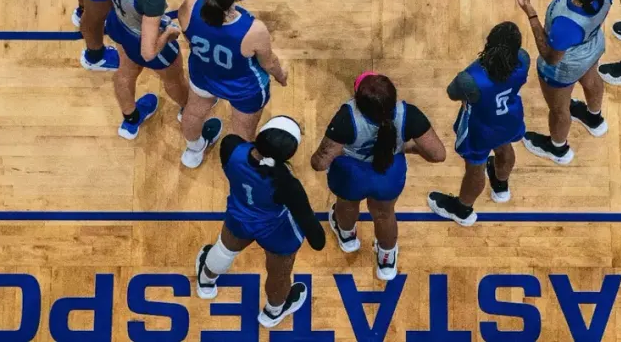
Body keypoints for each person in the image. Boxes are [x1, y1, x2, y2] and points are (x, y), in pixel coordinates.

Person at [66, 0, 207, 142]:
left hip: (119, 25)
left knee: (125, 72)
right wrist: (168, 34)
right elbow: (148, 53)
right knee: (173, 80)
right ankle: (187, 112)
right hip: (143, 38)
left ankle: (130, 120)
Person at [309, 73, 446, 280]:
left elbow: (319, 164)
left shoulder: (346, 119)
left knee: (346, 206)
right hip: (388, 173)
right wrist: (407, 148)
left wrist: (340, 151)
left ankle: (347, 238)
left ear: (358, 101)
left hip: (352, 174)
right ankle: (386, 261)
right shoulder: (410, 114)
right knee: (384, 214)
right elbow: (438, 154)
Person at [194, 116, 326, 329]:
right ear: (289, 155)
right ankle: (273, 312)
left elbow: (246, 153)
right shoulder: (287, 184)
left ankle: (206, 282)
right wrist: (317, 235)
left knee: (224, 250)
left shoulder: (230, 146)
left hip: (239, 217)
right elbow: (316, 238)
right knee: (279, 274)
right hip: (276, 231)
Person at [175, 0, 288, 165]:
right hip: (244, 89)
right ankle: (243, 166)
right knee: (243, 131)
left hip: (204, 75)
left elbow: (187, 37)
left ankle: (193, 151)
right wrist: (281, 76)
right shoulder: (253, 30)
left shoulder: (189, 6)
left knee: (192, 113)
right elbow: (269, 63)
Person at [427, 22, 529, 226]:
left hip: (481, 129)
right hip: (510, 119)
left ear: (489, 43)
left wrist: (482, 61)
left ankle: (463, 210)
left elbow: (452, 93)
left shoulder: (470, 78)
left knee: (476, 168)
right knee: (505, 149)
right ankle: (501, 187)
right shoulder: (523, 59)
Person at [515, 0, 613, 165]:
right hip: (593, 48)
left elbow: (550, 57)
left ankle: (558, 148)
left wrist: (531, 14)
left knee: (559, 109)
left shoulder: (565, 26)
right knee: (592, 80)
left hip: (565, 67)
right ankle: (594, 118)